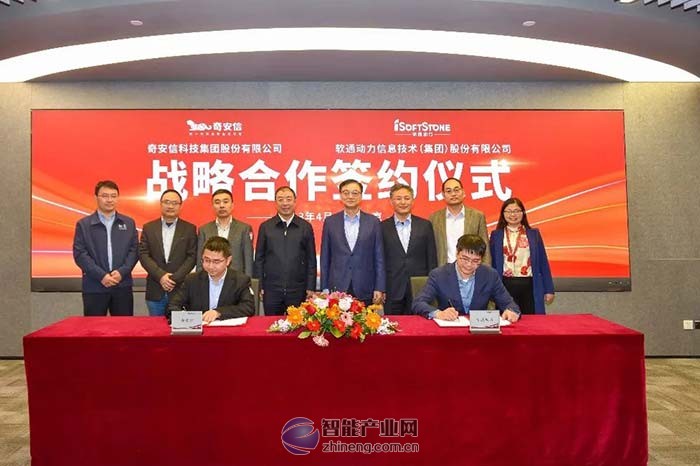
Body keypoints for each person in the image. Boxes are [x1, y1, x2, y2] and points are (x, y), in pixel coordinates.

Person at [412, 234, 520, 322]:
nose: (469, 265)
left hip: (479, 333)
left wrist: (511, 311)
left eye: (475, 261)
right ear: (457, 253)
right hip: (448, 331)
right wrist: (439, 314)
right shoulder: (439, 275)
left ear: (482, 259)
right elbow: (418, 303)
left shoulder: (490, 275)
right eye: (464, 259)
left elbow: (510, 304)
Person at [73, 180, 138, 316]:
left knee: (124, 327)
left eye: (113, 196)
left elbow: (134, 251)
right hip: (94, 286)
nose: (109, 200)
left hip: (122, 285)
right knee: (93, 328)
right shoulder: (84, 224)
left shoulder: (129, 223)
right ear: (96, 197)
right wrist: (101, 275)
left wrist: (122, 272)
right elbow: (80, 254)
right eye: (105, 196)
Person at [320, 179, 385, 307]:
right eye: (346, 193)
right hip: (337, 286)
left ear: (361, 196)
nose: (350, 196)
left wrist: (380, 287)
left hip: (365, 285)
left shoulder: (373, 222)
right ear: (340, 195)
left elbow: (379, 257)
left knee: (367, 320)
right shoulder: (330, 222)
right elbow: (325, 257)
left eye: (355, 193)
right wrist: (324, 287)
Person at [253, 186, 317, 315]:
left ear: (295, 201)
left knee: (297, 325)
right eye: (280, 199)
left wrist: (310, 287)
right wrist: (259, 286)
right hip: (271, 289)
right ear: (275, 203)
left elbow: (311, 259)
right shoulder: (266, 227)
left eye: (288, 199)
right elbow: (259, 259)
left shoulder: (305, 227)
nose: (285, 203)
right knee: (271, 324)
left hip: (298, 289)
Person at [167, 236, 255, 324]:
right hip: (200, 330)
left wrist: (219, 312)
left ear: (228, 260)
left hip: (227, 330)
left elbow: (248, 307)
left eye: (216, 262)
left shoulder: (240, 281)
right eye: (207, 260)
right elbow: (172, 306)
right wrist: (191, 319)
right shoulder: (191, 280)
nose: (211, 266)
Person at [489, 198, 554, 315]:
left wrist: (549, 289)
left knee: (531, 320)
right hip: (505, 285)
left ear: (523, 213)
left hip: (529, 284)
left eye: (516, 211)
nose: (513, 215)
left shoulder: (534, 234)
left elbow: (543, 262)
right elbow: (491, 264)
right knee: (507, 319)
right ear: (503, 214)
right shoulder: (496, 235)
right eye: (509, 211)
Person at [138, 189, 197, 316]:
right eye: (167, 202)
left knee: (180, 327)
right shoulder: (149, 227)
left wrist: (174, 279)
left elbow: (192, 257)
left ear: (180, 206)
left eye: (175, 203)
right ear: (161, 204)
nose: (170, 206)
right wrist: (161, 276)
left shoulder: (189, 229)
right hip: (155, 288)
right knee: (156, 327)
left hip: (180, 289)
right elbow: (143, 254)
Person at [380, 183, 437, 315]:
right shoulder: (382, 227)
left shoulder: (425, 225)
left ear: (412, 201)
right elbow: (379, 260)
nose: (403, 202)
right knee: (393, 324)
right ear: (391, 201)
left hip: (419, 287)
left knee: (420, 324)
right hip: (392, 287)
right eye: (398, 198)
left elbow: (431, 258)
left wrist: (432, 286)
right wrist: (381, 287)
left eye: (407, 198)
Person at [430, 177, 491, 267]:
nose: (453, 194)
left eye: (456, 190)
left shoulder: (477, 216)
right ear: (443, 195)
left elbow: (485, 247)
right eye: (449, 191)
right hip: (443, 269)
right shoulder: (434, 218)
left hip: (470, 268)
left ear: (463, 192)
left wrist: (486, 270)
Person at [197, 188, 253, 276]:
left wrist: (248, 280)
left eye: (225, 202)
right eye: (217, 202)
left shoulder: (244, 229)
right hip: (210, 278)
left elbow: (248, 260)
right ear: (213, 206)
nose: (221, 205)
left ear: (232, 205)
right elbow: (200, 261)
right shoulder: (204, 230)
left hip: (236, 279)